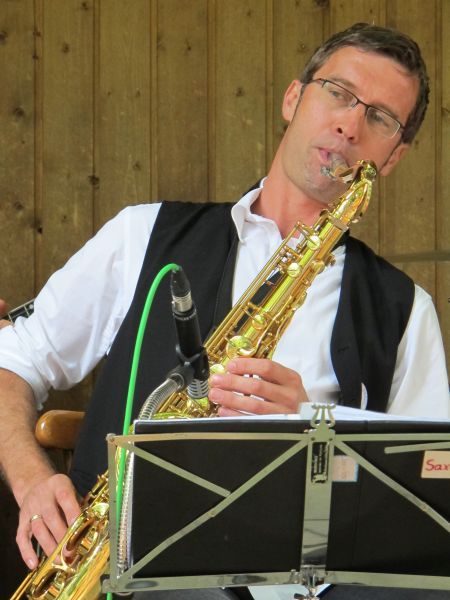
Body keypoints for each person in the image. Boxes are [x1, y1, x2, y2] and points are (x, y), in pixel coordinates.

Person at [0, 22, 448, 600]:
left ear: (393, 157)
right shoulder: (142, 234)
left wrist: (311, 428)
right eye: (338, 92)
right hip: (127, 573)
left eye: (381, 118)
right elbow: (14, 361)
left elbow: (421, 500)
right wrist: (32, 480)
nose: (350, 125)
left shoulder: (407, 310)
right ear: (293, 98)